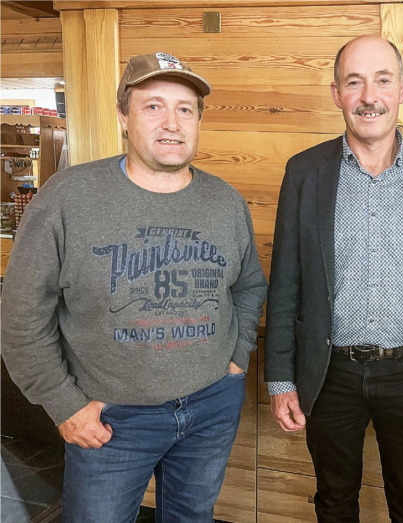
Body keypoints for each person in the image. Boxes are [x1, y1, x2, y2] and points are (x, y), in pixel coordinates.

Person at [1, 52, 267, 522]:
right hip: (108, 418)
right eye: (153, 106)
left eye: (185, 109)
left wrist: (237, 354)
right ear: (123, 117)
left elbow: (248, 286)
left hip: (211, 407)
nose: (172, 123)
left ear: (199, 120)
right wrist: (65, 404)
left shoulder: (225, 202)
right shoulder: (66, 198)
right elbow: (20, 318)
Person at [264, 35, 403, 522]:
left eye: (382, 80)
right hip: (329, 372)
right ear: (336, 93)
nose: (368, 96)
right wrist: (279, 378)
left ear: (402, 89)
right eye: (354, 82)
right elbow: (285, 279)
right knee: (334, 501)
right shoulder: (305, 172)